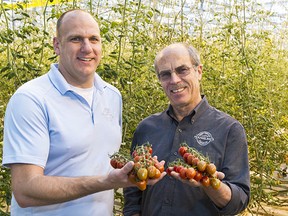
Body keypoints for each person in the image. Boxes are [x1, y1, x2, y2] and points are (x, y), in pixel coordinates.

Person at [2, 9, 164, 215]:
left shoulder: (112, 96)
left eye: (93, 39)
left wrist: (135, 169)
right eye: (76, 39)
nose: (87, 48)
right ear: (57, 45)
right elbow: (25, 190)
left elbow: (97, 159)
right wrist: (105, 182)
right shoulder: (31, 99)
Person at [123, 43, 250, 216]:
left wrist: (210, 183)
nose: (174, 80)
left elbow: (239, 201)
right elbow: (133, 191)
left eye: (182, 70)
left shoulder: (229, 130)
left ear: (199, 71)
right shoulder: (146, 128)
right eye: (165, 74)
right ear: (160, 80)